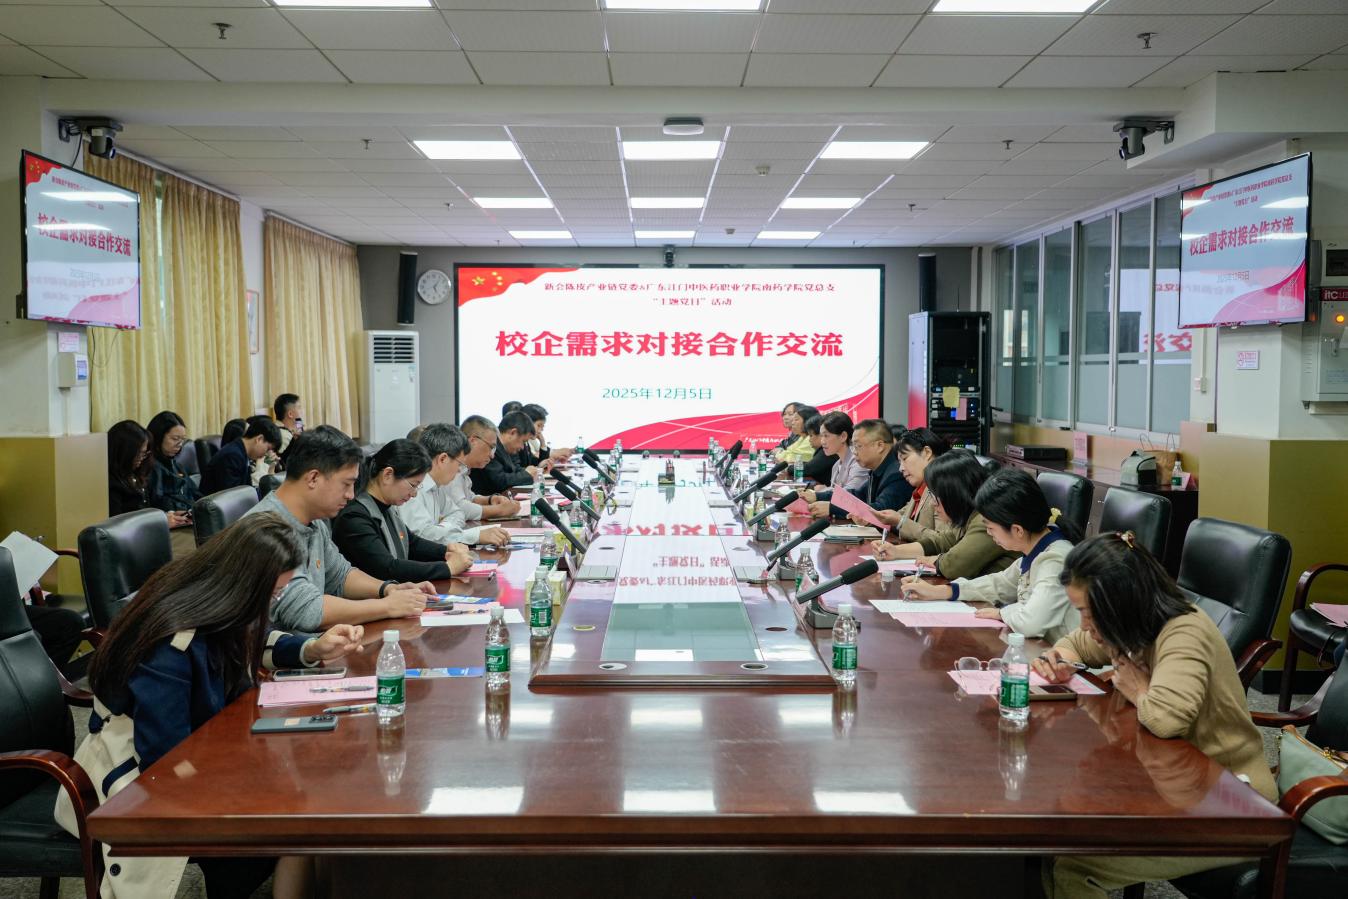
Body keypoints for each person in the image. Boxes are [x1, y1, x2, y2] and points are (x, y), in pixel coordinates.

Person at [54, 512, 364, 899]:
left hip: (201, 748)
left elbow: (255, 638)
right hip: (140, 774)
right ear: (244, 586)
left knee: (299, 800)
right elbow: (164, 760)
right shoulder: (170, 642)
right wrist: (247, 782)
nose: (272, 602)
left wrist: (311, 648)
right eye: (272, 594)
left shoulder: (215, 601)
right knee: (282, 817)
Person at [1033, 532, 1276, 898]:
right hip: (1171, 784)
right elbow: (1075, 644)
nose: (1083, 624)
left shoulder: (1184, 630)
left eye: (1086, 613)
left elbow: (1166, 719)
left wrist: (1137, 688)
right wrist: (1058, 659)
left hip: (1231, 801)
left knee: (1077, 864)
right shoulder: (1133, 623)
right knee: (1055, 839)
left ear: (1119, 602)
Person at [242, 425, 434, 633]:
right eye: (346, 484)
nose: (351, 495)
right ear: (313, 478)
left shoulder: (314, 521)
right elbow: (305, 611)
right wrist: (387, 606)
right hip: (278, 649)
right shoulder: (266, 529)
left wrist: (388, 589)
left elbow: (340, 575)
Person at [899, 467, 1082, 642]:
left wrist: (1002, 613)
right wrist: (944, 591)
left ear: (1017, 530)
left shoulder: (1054, 560)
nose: (988, 533)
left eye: (991, 528)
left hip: (1063, 658)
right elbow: (999, 583)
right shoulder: (1036, 550)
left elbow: (1031, 622)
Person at [332, 439, 474, 582]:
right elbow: (387, 568)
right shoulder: (354, 517)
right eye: (413, 485)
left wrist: (447, 550)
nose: (414, 494)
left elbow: (412, 543)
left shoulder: (386, 508)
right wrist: (448, 568)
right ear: (387, 475)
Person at [870, 451, 1018, 579]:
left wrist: (937, 560)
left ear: (953, 495)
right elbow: (941, 541)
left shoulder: (986, 520)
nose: (932, 503)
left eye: (935, 495)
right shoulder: (969, 515)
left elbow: (954, 566)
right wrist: (896, 551)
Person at [402, 423, 512, 548]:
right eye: (459, 464)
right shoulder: (412, 488)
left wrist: (442, 529)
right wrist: (475, 536)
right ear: (443, 459)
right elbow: (423, 537)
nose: (460, 470)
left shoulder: (436, 486)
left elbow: (457, 513)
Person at [873, 428, 951, 543]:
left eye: (905, 459)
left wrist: (900, 521)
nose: (901, 468)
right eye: (900, 462)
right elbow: (897, 517)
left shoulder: (944, 487)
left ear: (927, 453)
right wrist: (871, 518)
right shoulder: (921, 489)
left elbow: (944, 541)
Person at [107, 420, 189, 527]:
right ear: (124, 452)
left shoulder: (137, 473)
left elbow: (145, 511)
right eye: (139, 454)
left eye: (144, 453)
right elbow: (117, 525)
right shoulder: (111, 483)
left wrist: (168, 515)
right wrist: (159, 522)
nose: (142, 458)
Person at [801, 411, 869, 518]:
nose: (822, 441)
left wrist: (816, 495)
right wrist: (812, 493)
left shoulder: (858, 461)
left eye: (826, 436)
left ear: (843, 436)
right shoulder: (837, 465)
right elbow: (834, 491)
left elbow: (849, 496)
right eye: (821, 436)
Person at [457, 416, 524, 521]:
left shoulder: (464, 469)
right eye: (491, 447)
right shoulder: (451, 467)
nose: (492, 456)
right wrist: (500, 510)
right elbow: (460, 508)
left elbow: (469, 497)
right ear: (473, 441)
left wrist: (490, 499)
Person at [843, 418, 913, 517]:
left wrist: (830, 508)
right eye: (853, 446)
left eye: (858, 446)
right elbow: (857, 496)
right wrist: (822, 498)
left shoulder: (897, 474)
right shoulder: (878, 470)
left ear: (880, 446)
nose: (854, 452)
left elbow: (880, 510)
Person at [200, 415, 282, 496]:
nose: (265, 454)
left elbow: (247, 490)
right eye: (267, 449)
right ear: (259, 439)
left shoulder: (241, 451)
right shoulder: (232, 455)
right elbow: (232, 496)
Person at [470, 410, 540, 495]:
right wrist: (527, 474)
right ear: (513, 433)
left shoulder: (508, 448)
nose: (522, 447)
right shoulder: (490, 447)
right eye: (523, 441)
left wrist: (531, 471)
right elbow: (499, 481)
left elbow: (515, 469)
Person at [145, 410, 202, 514]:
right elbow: (159, 504)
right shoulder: (150, 467)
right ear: (158, 437)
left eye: (183, 439)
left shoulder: (176, 464)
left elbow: (196, 495)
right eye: (175, 439)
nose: (180, 444)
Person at [252, 393, 303, 486]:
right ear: (290, 414)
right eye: (299, 408)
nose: (302, 411)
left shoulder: (292, 427)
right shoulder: (284, 435)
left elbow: (301, 429)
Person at [519, 403, 574, 467]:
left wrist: (542, 443)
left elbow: (538, 463)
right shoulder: (517, 445)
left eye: (542, 427)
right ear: (527, 423)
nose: (540, 431)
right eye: (539, 425)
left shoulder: (526, 444)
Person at [798, 413, 837, 485]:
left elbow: (808, 469)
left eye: (825, 436)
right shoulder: (824, 450)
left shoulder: (829, 452)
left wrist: (790, 467)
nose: (809, 439)